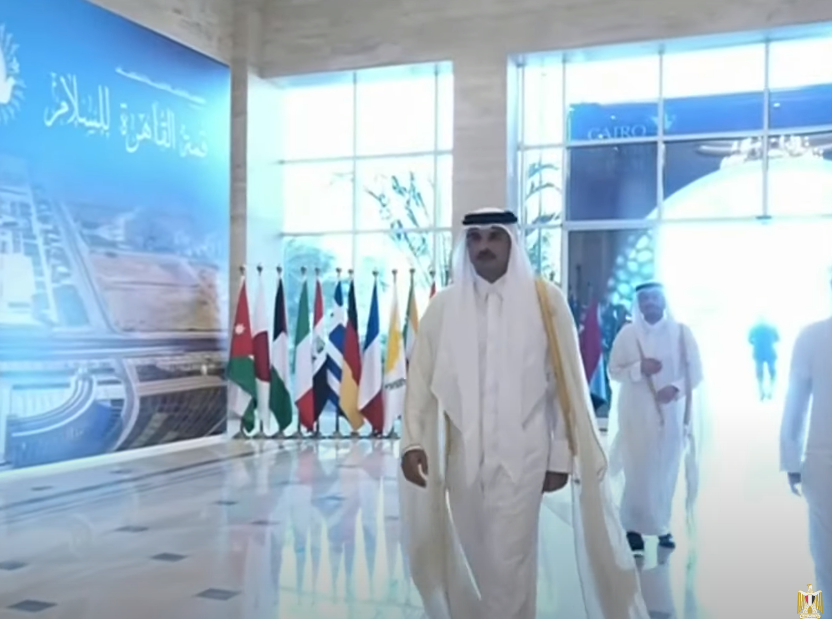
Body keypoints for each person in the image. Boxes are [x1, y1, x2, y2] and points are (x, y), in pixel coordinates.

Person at [398, 207, 648, 619]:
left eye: (494, 236)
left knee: (508, 564)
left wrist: (560, 456)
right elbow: (421, 381)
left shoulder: (545, 301)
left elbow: (564, 385)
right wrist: (412, 442)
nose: (484, 247)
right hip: (464, 461)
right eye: (475, 238)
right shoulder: (443, 307)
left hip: (524, 455)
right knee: (484, 563)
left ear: (512, 242)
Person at [607, 282, 704, 553]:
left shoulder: (682, 333)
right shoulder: (627, 334)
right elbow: (613, 370)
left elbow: (696, 372)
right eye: (645, 299)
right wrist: (640, 368)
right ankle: (633, 528)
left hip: (671, 416)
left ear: (663, 301)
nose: (650, 303)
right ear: (638, 303)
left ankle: (662, 526)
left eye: (654, 298)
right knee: (637, 469)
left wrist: (675, 388)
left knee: (666, 471)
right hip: (635, 414)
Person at [780, 301, 832, 598]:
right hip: (823, 459)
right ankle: (811, 614)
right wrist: (791, 457)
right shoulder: (812, 337)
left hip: (821, 459)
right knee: (822, 553)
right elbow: (796, 401)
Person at [748, 317, 779, 400]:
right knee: (772, 373)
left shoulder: (754, 328)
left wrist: (756, 342)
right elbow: (777, 339)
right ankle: (770, 391)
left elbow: (749, 340)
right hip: (770, 352)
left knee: (759, 374)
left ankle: (761, 393)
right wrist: (770, 341)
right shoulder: (771, 327)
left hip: (758, 352)